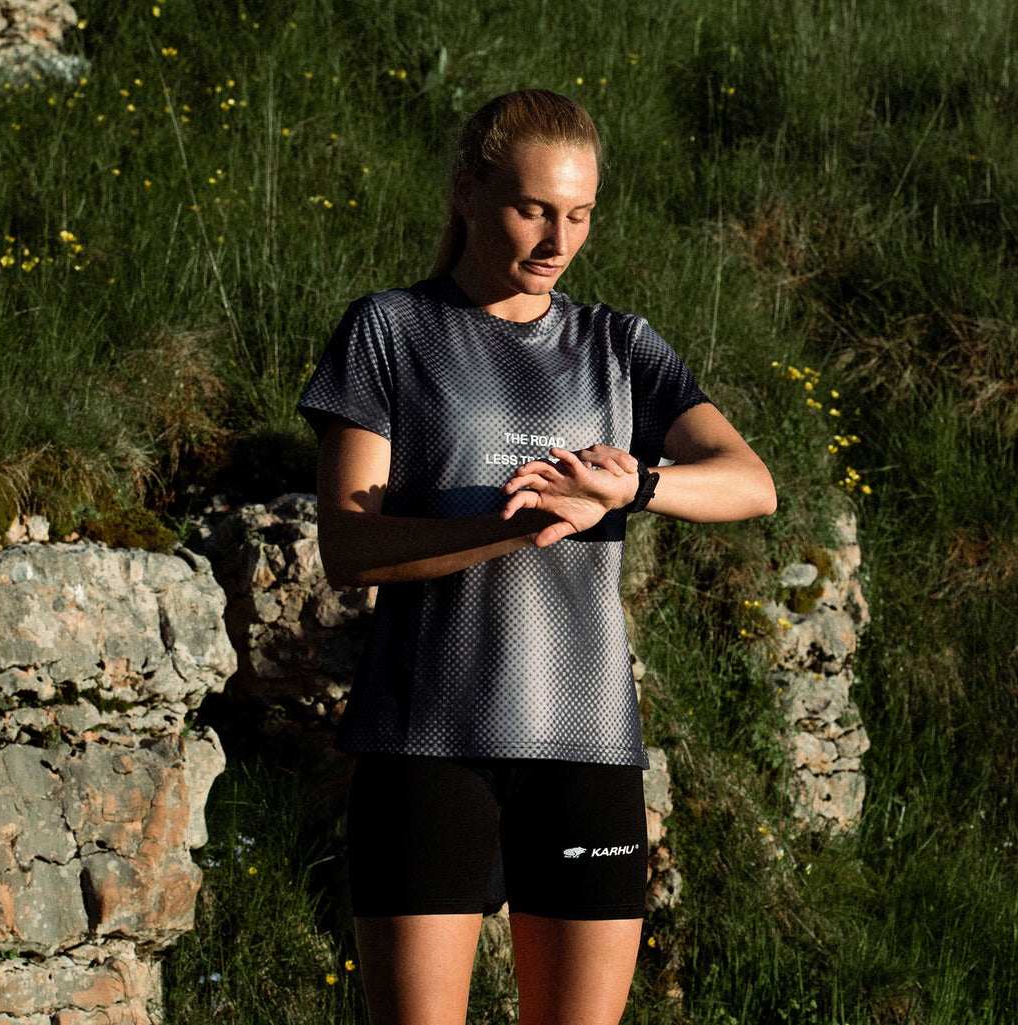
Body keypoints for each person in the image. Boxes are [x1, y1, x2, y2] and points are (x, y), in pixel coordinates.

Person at [298, 88, 776, 1025]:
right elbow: (350, 547)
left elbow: (750, 482)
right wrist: (520, 524)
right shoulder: (389, 332)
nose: (558, 239)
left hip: (585, 745)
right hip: (426, 741)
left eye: (580, 214)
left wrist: (631, 486)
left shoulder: (617, 346)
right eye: (533, 209)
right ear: (466, 191)